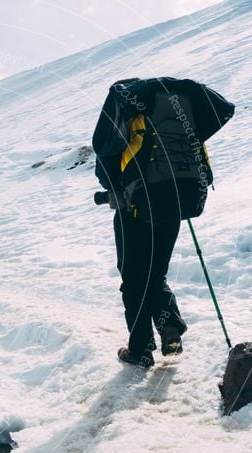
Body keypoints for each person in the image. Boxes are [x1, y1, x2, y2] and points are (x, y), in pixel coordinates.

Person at [92, 77, 234, 368]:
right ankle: (170, 327)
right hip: (177, 201)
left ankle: (140, 349)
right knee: (156, 273)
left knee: (133, 276)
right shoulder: (181, 113)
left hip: (135, 206)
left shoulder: (128, 114)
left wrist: (113, 188)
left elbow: (105, 156)